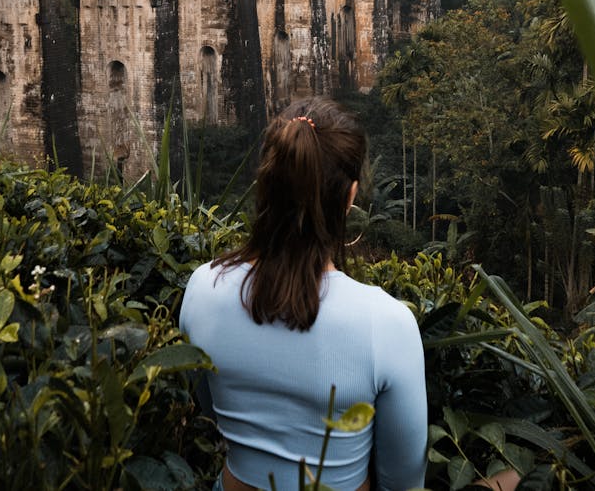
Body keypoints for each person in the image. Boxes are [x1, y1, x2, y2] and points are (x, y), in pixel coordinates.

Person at [179, 97, 427, 491]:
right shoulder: (388, 324)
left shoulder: (202, 290)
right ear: (350, 197)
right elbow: (404, 480)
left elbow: (210, 412)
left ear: (267, 182)